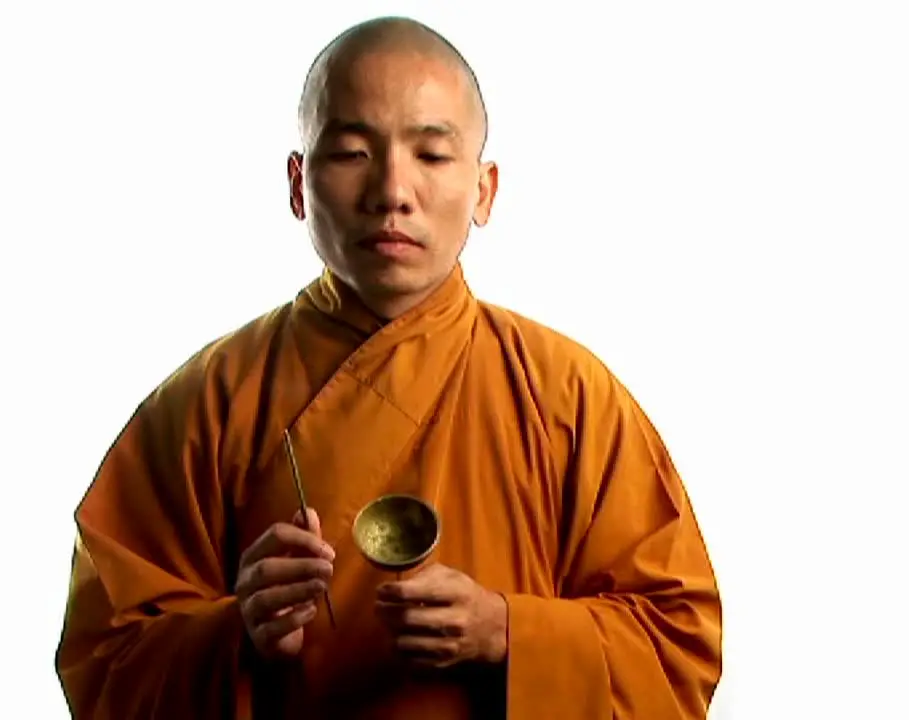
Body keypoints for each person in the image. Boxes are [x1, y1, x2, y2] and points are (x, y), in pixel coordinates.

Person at [55, 15, 722, 719]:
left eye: (432, 156)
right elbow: (103, 656)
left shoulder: (569, 395)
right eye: (350, 153)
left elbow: (679, 647)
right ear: (297, 183)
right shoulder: (204, 404)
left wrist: (508, 632)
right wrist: (235, 634)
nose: (392, 191)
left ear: (485, 189)